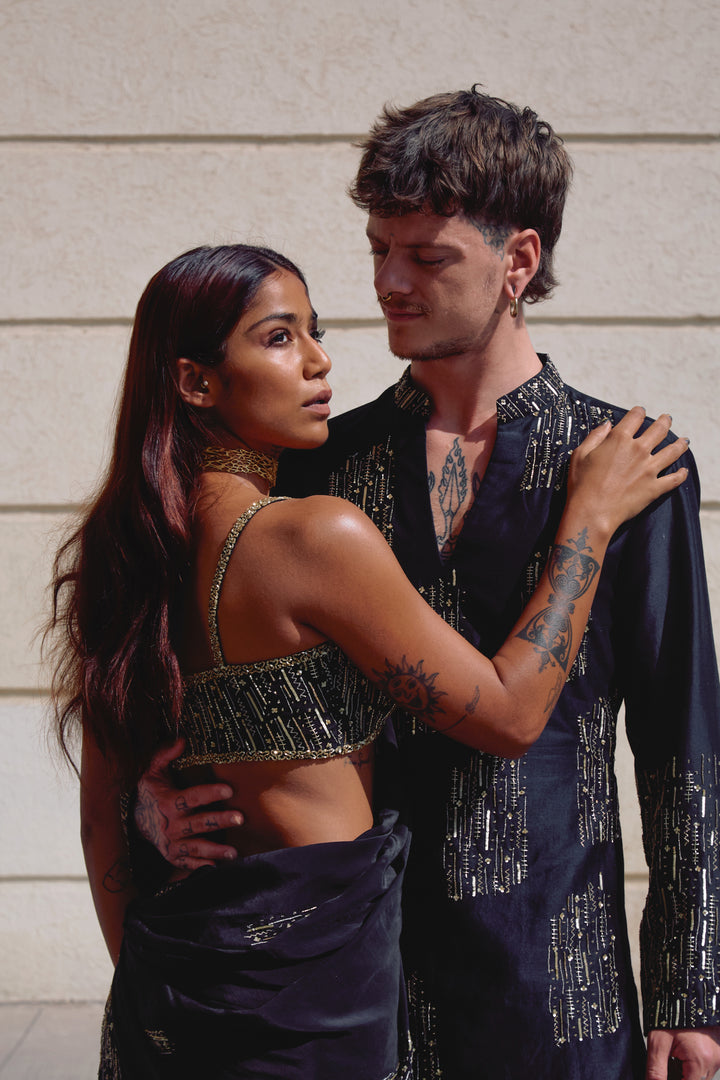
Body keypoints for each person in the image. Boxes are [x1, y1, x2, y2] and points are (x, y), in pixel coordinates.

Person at [138, 90, 720, 1079]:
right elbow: (207, 660)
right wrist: (153, 801)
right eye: (379, 249)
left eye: (427, 257)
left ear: (518, 262)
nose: (388, 283)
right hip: (361, 975)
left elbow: (682, 741)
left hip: (558, 981)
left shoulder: (629, 463)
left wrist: (689, 989)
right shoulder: (321, 464)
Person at [46, 242, 683, 1079]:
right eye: (280, 338)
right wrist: (589, 518)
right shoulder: (316, 536)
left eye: (315, 331)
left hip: (175, 970)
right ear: (196, 382)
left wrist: (153, 990)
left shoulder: (124, 548)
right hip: (312, 986)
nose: (320, 361)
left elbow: (103, 815)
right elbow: (510, 713)